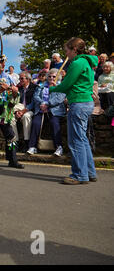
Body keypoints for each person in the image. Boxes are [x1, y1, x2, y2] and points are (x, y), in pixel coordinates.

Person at [49, 37, 98, 185]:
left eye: (67, 51)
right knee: (82, 139)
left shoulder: (77, 63)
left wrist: (53, 88)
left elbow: (66, 85)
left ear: (74, 50)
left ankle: (79, 175)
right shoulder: (87, 62)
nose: (66, 54)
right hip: (85, 102)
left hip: (79, 102)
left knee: (76, 141)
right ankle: (89, 172)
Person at [26, 69, 66, 156]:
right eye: (50, 76)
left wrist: (47, 104)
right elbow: (36, 96)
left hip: (55, 110)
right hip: (41, 109)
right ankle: (32, 146)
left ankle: (59, 147)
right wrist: (42, 103)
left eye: (54, 76)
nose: (51, 78)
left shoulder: (61, 86)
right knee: (36, 123)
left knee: (54, 123)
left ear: (58, 77)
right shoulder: (41, 86)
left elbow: (59, 99)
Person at [11, 72, 37, 152]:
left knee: (26, 117)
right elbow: (16, 102)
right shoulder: (19, 88)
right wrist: (16, 112)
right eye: (19, 78)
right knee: (11, 118)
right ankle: (15, 141)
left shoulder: (35, 88)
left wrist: (23, 111)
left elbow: (33, 103)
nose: (20, 80)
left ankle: (27, 142)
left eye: (22, 78)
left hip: (30, 110)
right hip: (19, 109)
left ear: (28, 79)